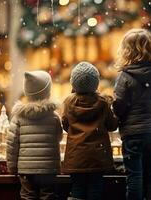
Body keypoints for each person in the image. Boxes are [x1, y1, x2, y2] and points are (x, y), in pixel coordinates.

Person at [113, 29, 151, 200]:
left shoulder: (125, 76)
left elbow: (119, 105)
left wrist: (118, 116)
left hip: (132, 134)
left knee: (134, 176)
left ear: (127, 51)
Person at [62, 61, 118, 200]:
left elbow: (65, 124)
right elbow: (112, 125)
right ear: (96, 82)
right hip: (97, 157)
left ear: (73, 83)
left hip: (76, 157)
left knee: (77, 189)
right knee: (95, 189)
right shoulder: (103, 103)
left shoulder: (68, 102)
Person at [6, 70, 63, 200]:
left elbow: (12, 144)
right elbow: (58, 137)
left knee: (27, 196)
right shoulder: (54, 117)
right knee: (47, 195)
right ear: (48, 92)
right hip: (48, 169)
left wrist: (12, 166)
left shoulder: (18, 118)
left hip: (26, 169)